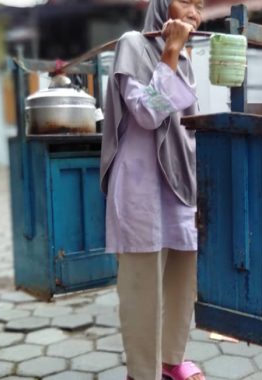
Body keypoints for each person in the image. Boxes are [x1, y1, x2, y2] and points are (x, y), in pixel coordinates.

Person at [99, 0, 205, 379]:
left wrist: (177, 54)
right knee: (142, 284)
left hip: (178, 179)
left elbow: (187, 125)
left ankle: (170, 361)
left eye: (201, 5)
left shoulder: (188, 60)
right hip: (140, 183)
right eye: (186, 0)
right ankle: (142, 372)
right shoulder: (132, 44)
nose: (195, 10)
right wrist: (171, 52)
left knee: (182, 274)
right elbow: (146, 112)